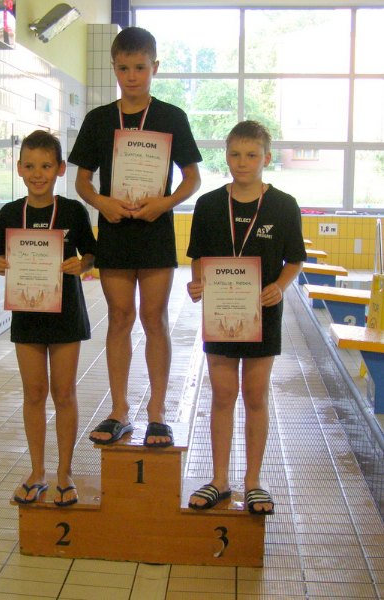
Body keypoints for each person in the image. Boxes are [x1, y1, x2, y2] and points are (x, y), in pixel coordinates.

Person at [68, 27, 202, 447]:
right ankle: (119, 410)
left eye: (140, 68)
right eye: (124, 68)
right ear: (114, 67)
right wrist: (101, 203)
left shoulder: (171, 117)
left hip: (155, 229)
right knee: (120, 318)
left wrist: (166, 204)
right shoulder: (98, 120)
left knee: (155, 319)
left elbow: (193, 178)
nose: (132, 76)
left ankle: (157, 413)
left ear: (154, 67)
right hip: (115, 230)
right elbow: (82, 181)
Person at [186, 121, 307, 514]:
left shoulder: (283, 205)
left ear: (266, 158)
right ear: (226, 156)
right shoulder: (208, 204)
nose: (242, 162)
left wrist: (281, 286)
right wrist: (197, 283)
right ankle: (219, 479)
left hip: (263, 313)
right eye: (235, 154)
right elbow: (198, 256)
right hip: (221, 313)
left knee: (255, 395)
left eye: (251, 155)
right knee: (222, 395)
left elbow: (295, 259)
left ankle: (253, 481)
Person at [0, 130, 97, 507]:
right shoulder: (10, 212)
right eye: (31, 166)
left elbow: (91, 255)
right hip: (28, 315)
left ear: (60, 169)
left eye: (46, 166)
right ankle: (37, 472)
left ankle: (64, 473)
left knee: (64, 394)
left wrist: (81, 264)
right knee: (34, 394)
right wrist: (0, 264)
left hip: (66, 314)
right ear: (20, 168)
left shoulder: (72, 211)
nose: (38, 174)